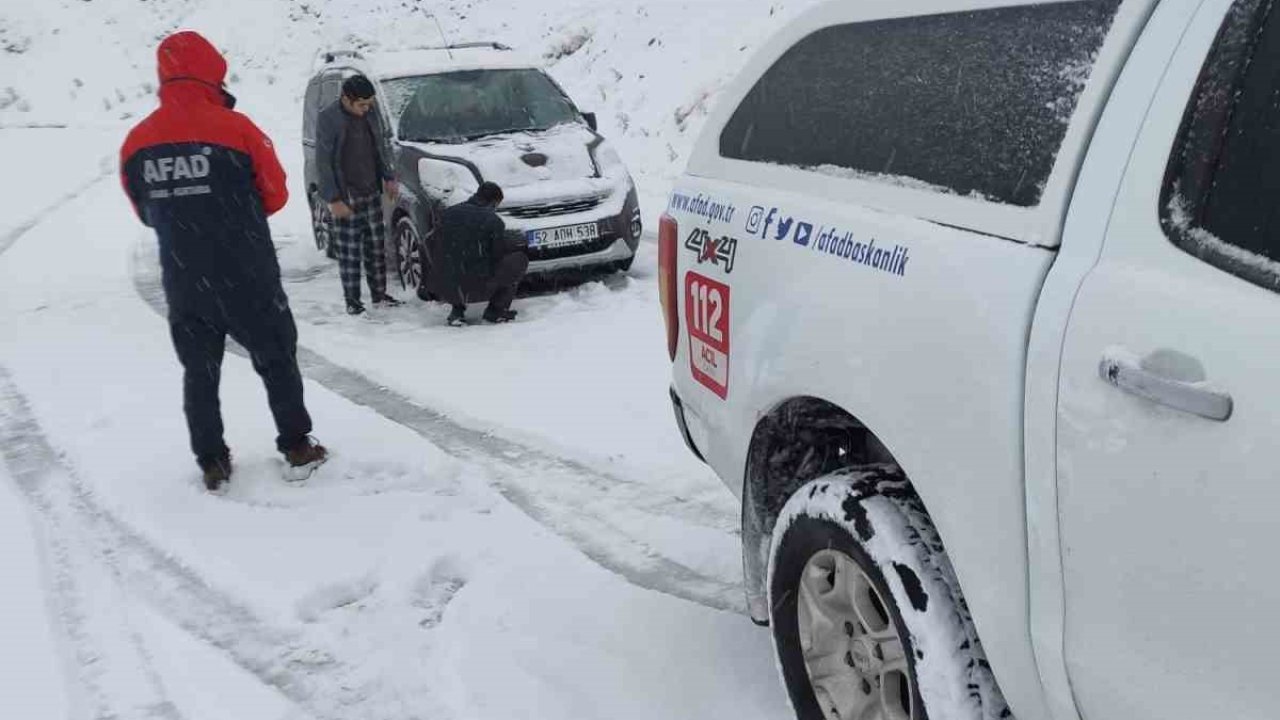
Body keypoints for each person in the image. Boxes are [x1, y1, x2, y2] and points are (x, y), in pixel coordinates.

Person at [120, 30, 327, 493]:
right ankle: (296, 444)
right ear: (214, 71)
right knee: (276, 359)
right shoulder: (239, 129)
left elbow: (144, 211)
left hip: (184, 277)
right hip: (247, 273)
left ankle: (212, 460)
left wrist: (184, 215)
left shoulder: (137, 142)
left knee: (199, 371)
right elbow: (275, 194)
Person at [315, 74, 402, 315]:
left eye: (369, 104)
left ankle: (379, 294)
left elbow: (380, 148)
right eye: (362, 105)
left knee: (376, 248)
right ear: (346, 99)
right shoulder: (328, 118)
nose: (367, 109)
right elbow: (323, 161)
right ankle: (353, 302)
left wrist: (389, 177)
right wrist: (333, 199)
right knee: (350, 253)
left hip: (370, 191)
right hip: (346, 196)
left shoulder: (369, 113)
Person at [427, 181, 529, 326]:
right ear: (494, 202)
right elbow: (497, 255)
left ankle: (457, 311)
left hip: (443, 282)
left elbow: (431, 242)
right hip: (477, 284)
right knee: (519, 260)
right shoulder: (493, 221)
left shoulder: (447, 214)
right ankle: (495, 311)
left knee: (455, 264)